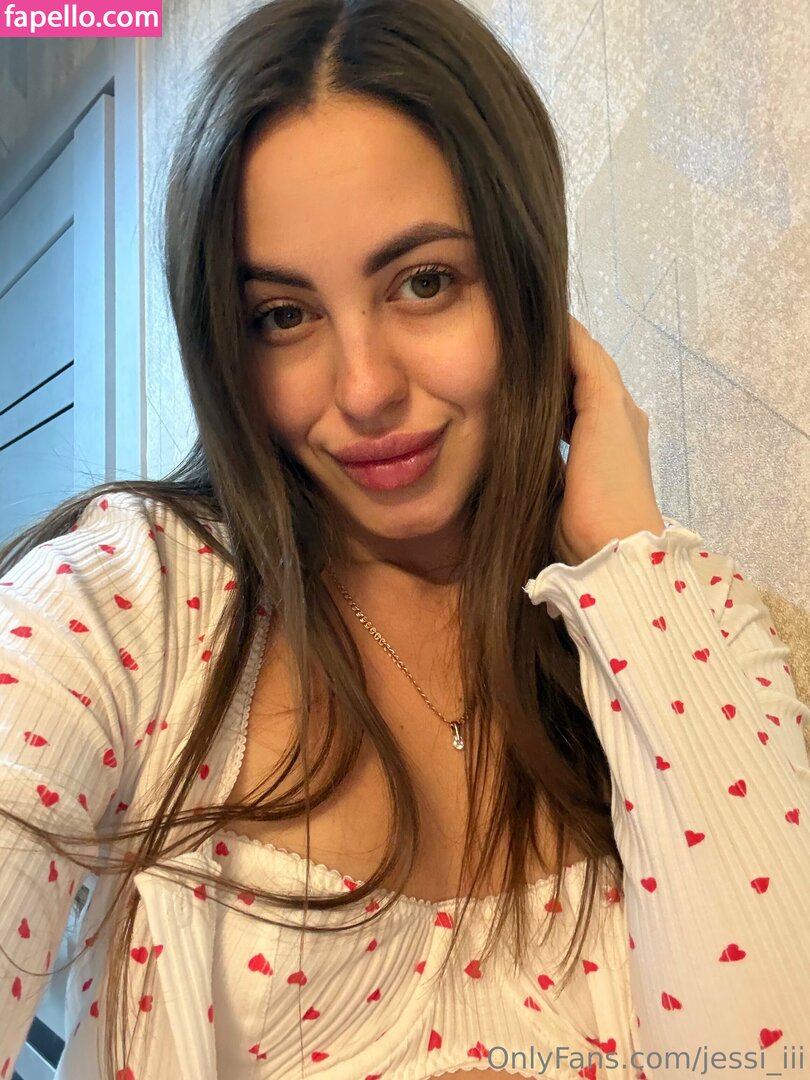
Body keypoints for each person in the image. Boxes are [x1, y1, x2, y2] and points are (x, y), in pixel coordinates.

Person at [1, 1, 808, 1077]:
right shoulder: (126, 608)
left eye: (425, 283)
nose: (366, 389)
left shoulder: (678, 620)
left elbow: (761, 1050)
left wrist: (626, 561)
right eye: (283, 315)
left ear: (526, 283)